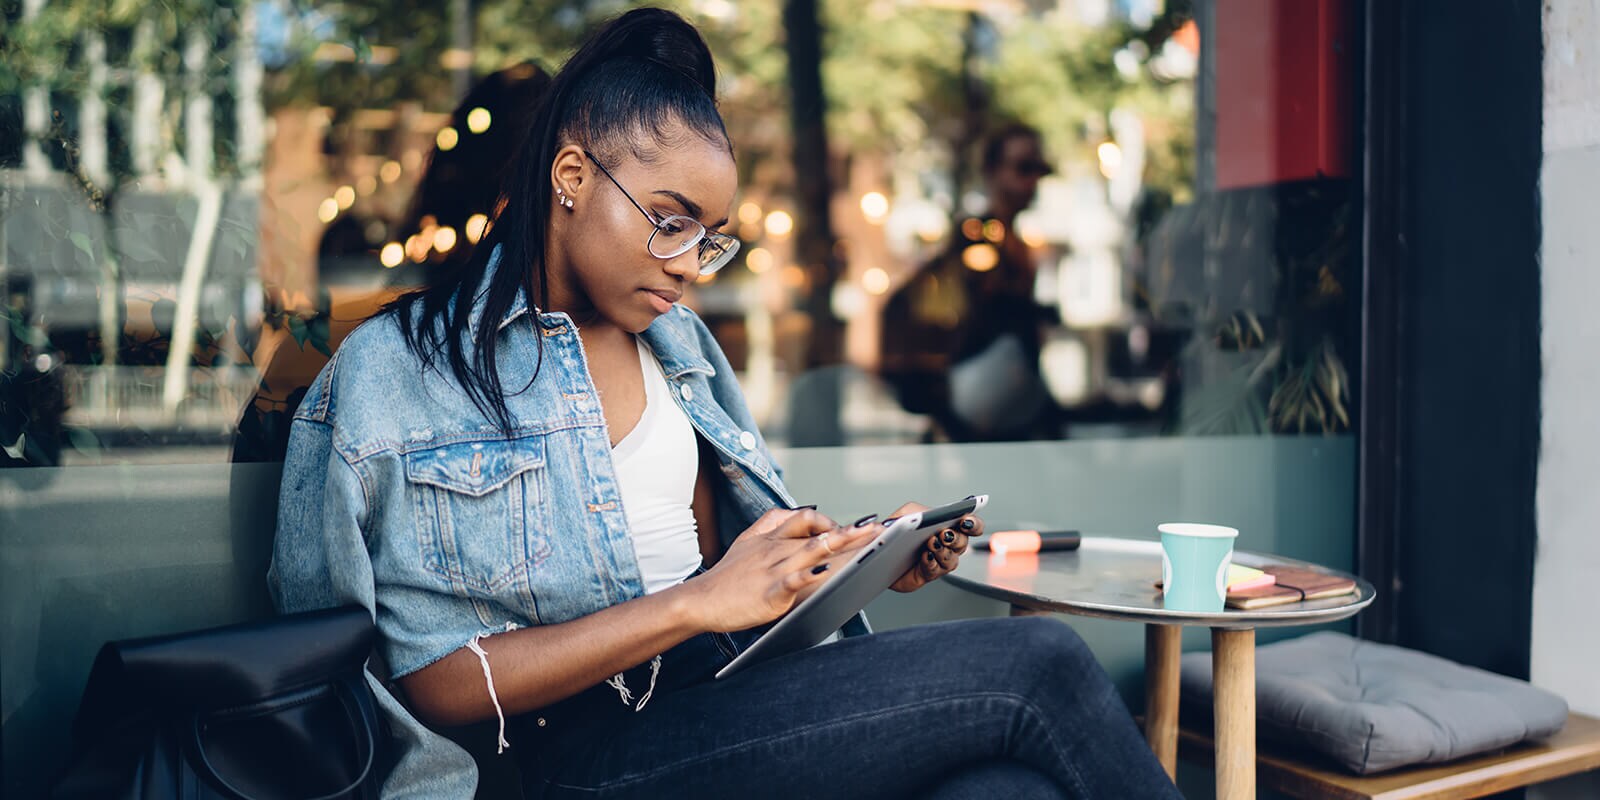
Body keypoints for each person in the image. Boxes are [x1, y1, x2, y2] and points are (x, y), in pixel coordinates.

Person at [270, 9, 1180, 799]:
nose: (685, 264)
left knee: (1002, 790)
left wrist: (854, 559)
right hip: (570, 759)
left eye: (708, 240)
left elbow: (722, 570)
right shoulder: (400, 370)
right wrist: (697, 606)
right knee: (1040, 664)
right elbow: (422, 683)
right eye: (668, 220)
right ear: (573, 177)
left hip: (719, 705)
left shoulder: (680, 349)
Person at [881, 123, 1061, 442]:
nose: (1033, 181)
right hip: (977, 402)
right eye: (1023, 168)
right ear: (993, 171)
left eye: (1039, 170)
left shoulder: (1012, 242)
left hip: (1001, 404)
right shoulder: (978, 240)